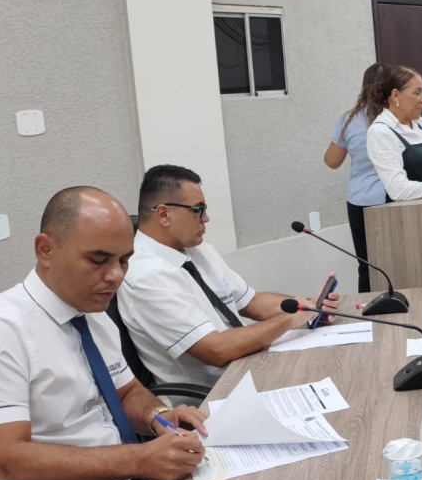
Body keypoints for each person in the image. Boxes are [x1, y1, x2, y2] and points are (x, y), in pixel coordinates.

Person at [0, 187, 208, 480]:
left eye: (124, 260)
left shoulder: (93, 314)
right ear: (45, 250)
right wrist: (140, 459)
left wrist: (160, 417)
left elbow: (127, 392)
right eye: (99, 260)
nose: (116, 275)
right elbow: (6, 465)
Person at [117, 165, 340, 388]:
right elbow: (216, 350)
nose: (206, 218)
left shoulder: (198, 250)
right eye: (198, 210)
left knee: (335, 367)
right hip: (218, 392)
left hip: (252, 366)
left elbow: (252, 302)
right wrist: (288, 319)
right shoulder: (147, 277)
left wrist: (307, 307)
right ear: (164, 214)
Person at [324, 62, 389, 293]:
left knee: (367, 266)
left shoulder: (348, 121)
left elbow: (332, 161)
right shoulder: (398, 118)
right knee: (397, 261)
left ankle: (367, 310)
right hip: (393, 198)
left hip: (359, 200)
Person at [366, 65, 422, 201]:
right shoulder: (380, 132)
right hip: (407, 213)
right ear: (396, 95)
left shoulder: (420, 123)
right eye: (417, 93)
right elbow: (399, 190)